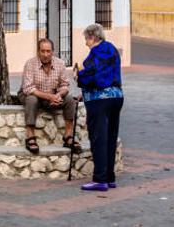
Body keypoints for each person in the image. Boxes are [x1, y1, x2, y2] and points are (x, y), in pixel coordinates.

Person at [76, 23, 124, 192]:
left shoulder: (96, 53)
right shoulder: (112, 49)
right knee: (111, 137)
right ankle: (110, 177)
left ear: (93, 37)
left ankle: (100, 179)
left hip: (99, 101)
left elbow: (91, 75)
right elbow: (108, 74)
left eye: (86, 39)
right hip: (116, 98)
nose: (86, 43)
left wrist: (78, 76)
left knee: (99, 139)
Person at [18, 38, 81, 155]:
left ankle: (68, 136)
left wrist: (58, 96)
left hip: (52, 94)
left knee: (69, 99)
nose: (46, 54)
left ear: (53, 52)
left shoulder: (60, 64)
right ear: (38, 51)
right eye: (42, 51)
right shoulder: (30, 64)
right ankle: (30, 136)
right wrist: (49, 97)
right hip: (32, 94)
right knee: (32, 100)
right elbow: (28, 88)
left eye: (48, 51)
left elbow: (65, 85)